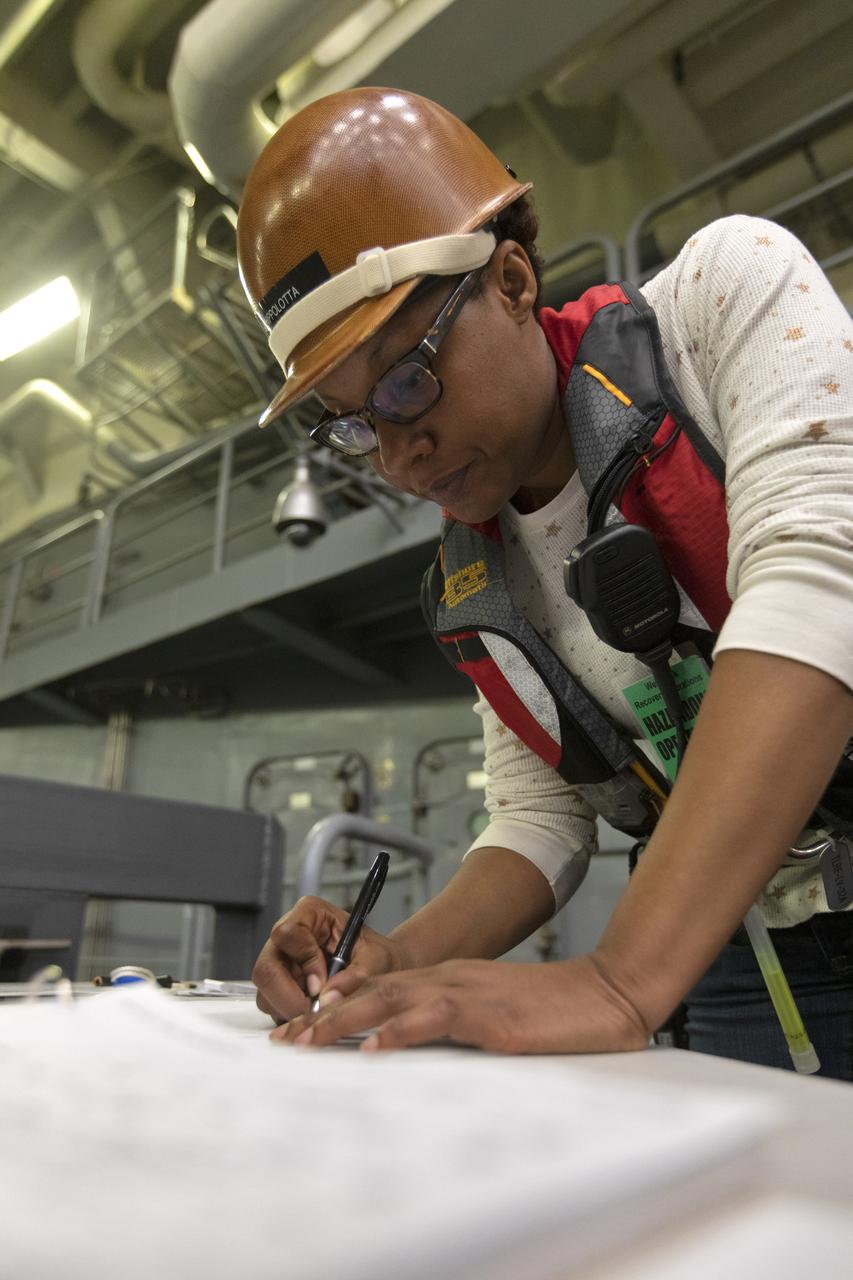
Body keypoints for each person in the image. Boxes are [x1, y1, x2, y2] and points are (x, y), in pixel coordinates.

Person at [238, 87, 853, 1076]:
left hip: (670, 951)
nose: (396, 456)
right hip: (743, 946)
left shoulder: (720, 297)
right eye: (355, 423)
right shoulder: (478, 579)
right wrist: (394, 957)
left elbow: (821, 582)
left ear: (513, 279)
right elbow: (538, 817)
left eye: (405, 379)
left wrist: (620, 977)